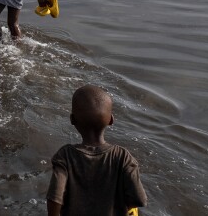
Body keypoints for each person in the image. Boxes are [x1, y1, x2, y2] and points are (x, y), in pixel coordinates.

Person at [46, 85, 148, 216]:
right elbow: (139, 199)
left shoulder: (65, 156)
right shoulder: (123, 157)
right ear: (111, 120)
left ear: (72, 119)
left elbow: (55, 198)